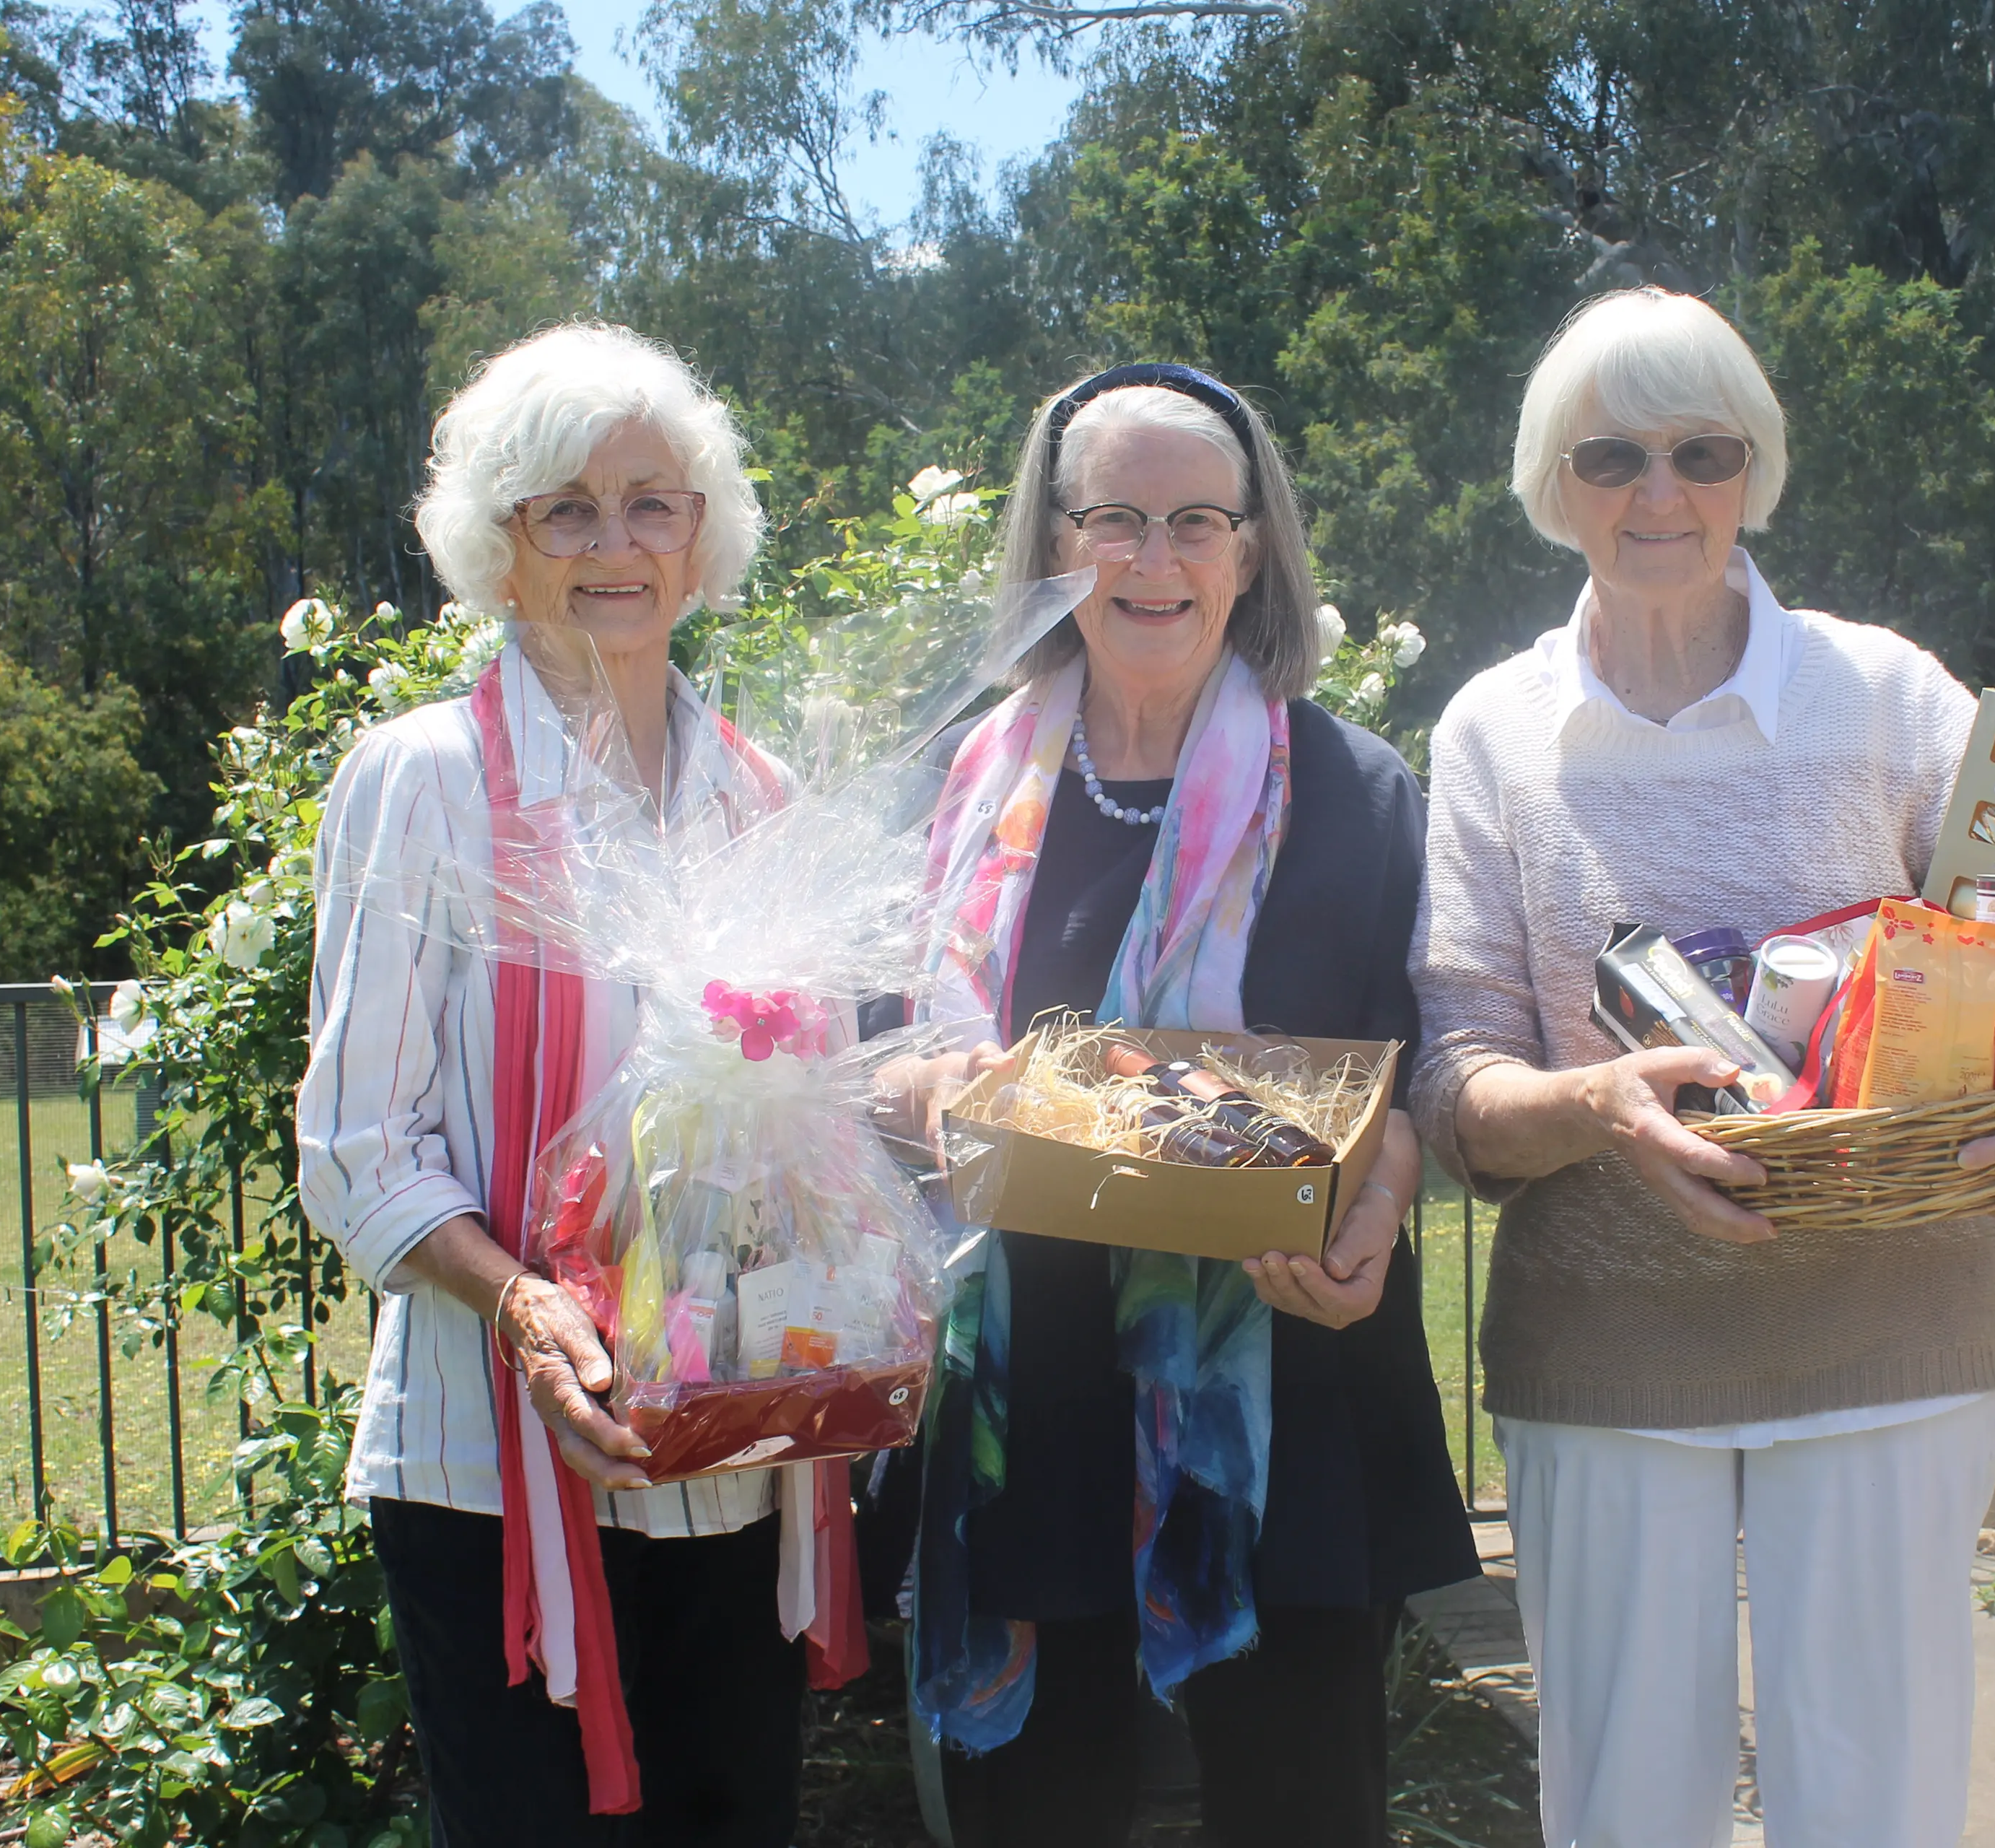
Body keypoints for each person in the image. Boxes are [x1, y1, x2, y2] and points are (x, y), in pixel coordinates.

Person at [1408, 287, 1995, 1848]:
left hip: (1891, 1332)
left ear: (1754, 468)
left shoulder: (1882, 693)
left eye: (1703, 452)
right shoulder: (1495, 730)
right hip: (1608, 1355)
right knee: (1625, 1817)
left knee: (1877, 1811)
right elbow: (1460, 1077)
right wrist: (1596, 1105)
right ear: (1554, 483)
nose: (1661, 492)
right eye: (1613, 456)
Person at [898, 363, 1479, 1848]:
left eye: (1196, 522)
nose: (1153, 559)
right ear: (1054, 543)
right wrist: (927, 1088)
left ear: (1251, 549)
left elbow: (1406, 1068)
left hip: (1280, 1378)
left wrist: (1380, 1204)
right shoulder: (961, 789)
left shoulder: (1354, 791)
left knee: (1302, 1808)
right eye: (1114, 518)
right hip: (1030, 1387)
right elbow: (885, 1041)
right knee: (1039, 1816)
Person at [296, 323, 806, 1845]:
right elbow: (357, 1144)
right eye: (565, 510)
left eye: (652, 504)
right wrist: (524, 1305)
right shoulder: (426, 781)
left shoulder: (760, 798)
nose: (615, 545)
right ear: (498, 549)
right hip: (488, 1464)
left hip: (731, 1452)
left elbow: (803, 1112)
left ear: (701, 537)